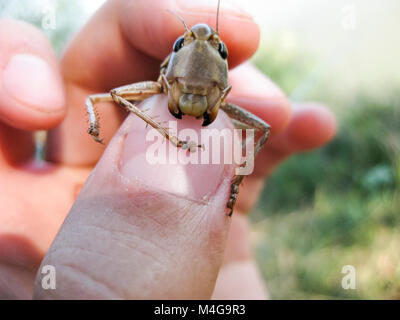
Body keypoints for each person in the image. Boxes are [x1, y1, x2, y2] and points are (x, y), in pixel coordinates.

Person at [0, 0, 336, 299]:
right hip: (160, 97)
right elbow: (105, 96)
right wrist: (114, 124)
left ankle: (231, 185)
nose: (201, 50)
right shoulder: (159, 80)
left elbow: (260, 131)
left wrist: (235, 182)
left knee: (260, 125)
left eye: (218, 50)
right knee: (107, 96)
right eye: (184, 44)